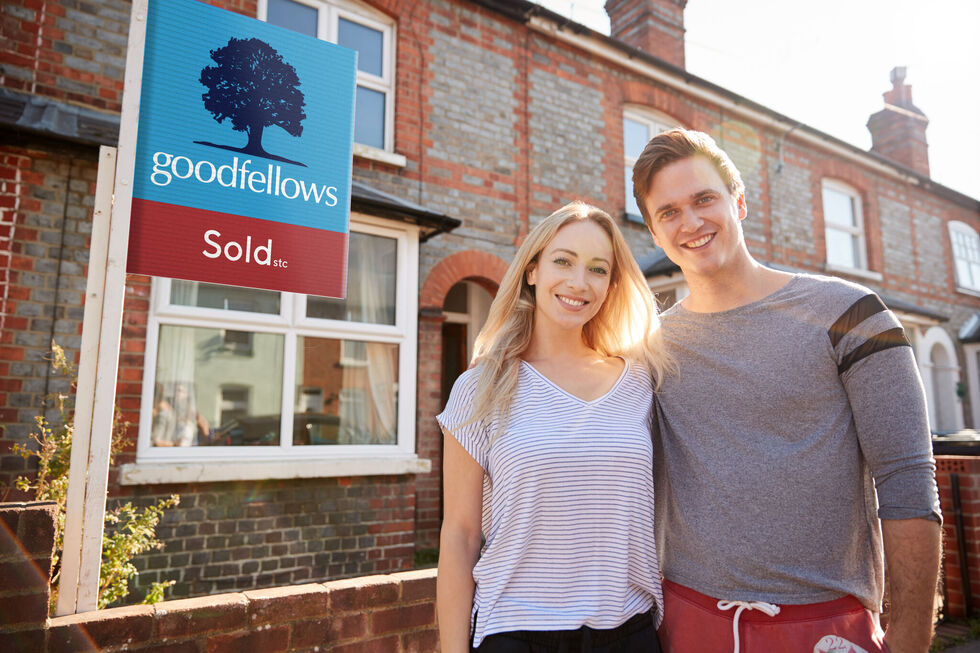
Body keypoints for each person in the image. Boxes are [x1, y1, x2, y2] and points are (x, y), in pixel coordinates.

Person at [631, 128, 942, 653]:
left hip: (827, 627)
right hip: (687, 623)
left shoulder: (851, 314)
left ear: (739, 200)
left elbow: (907, 479)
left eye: (704, 199)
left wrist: (910, 639)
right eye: (669, 212)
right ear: (655, 234)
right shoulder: (648, 350)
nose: (691, 222)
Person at [436, 201, 673, 652]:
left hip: (628, 631)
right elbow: (460, 535)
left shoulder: (643, 381)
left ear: (611, 284)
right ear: (532, 271)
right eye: (563, 261)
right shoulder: (481, 387)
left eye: (597, 269)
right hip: (516, 631)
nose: (578, 282)